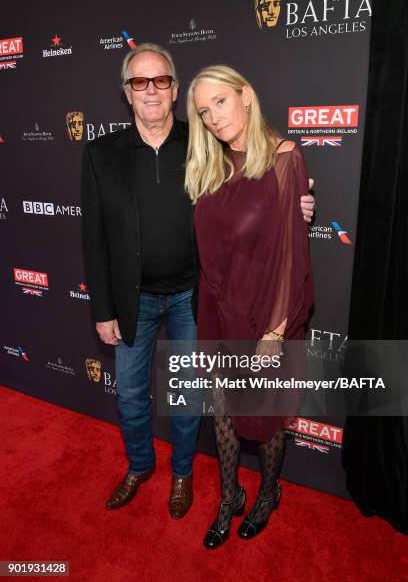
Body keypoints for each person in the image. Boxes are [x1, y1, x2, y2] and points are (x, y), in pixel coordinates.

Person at [81, 44, 315, 520]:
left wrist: (296, 207)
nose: (151, 91)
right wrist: (102, 308)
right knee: (129, 392)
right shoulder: (101, 154)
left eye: (160, 81)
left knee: (189, 393)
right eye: (139, 82)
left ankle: (183, 474)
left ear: (174, 88)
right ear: (126, 93)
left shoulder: (203, 141)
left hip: (192, 296)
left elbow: (258, 183)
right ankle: (139, 466)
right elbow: (93, 237)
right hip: (133, 300)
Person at [185, 65, 313, 548]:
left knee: (267, 417)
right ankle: (228, 496)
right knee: (222, 412)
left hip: (267, 314)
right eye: (203, 112)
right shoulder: (209, 163)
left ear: (246, 96)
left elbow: (291, 255)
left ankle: (267, 493)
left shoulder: (285, 158)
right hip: (218, 309)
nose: (214, 118)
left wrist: (275, 332)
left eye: (220, 102)